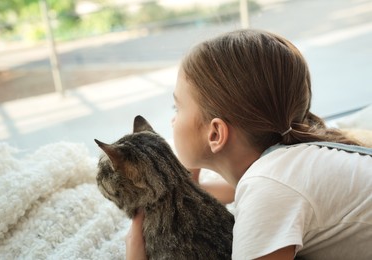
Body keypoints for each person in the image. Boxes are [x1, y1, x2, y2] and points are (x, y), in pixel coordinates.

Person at [126, 29, 372, 259]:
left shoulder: (269, 189)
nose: (172, 120)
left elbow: (260, 196)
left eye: (176, 108)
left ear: (215, 134)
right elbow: (218, 191)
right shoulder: (281, 165)